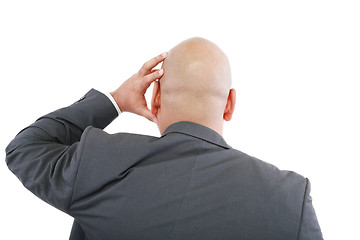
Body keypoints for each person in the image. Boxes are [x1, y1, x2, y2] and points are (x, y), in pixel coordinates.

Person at [6, 37, 323, 239]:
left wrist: (116, 99)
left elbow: (25, 148)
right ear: (230, 104)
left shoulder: (100, 161)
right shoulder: (288, 198)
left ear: (154, 96)